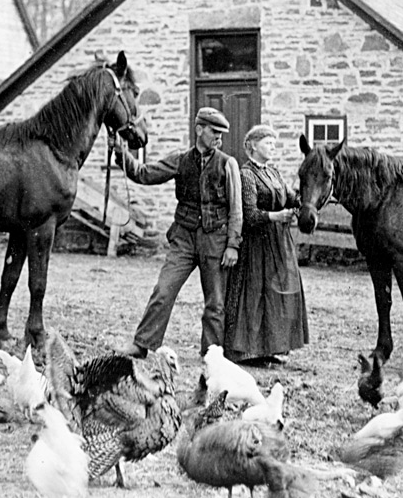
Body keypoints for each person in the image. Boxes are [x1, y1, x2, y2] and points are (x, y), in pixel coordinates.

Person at [115, 107, 243, 359]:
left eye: (221, 133)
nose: (219, 138)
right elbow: (143, 174)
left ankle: (212, 354)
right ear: (199, 130)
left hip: (215, 240)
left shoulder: (228, 164)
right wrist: (121, 154)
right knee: (163, 290)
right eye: (214, 132)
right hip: (183, 238)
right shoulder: (179, 160)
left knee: (215, 302)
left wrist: (232, 244)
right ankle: (142, 344)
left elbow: (236, 208)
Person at [224, 124, 309, 366]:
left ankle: (271, 348)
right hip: (256, 245)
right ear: (252, 145)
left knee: (276, 295)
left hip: (279, 244)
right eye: (267, 142)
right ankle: (249, 352)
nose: (273, 146)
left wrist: (305, 202)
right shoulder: (246, 174)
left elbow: (292, 198)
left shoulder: (274, 173)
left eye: (274, 142)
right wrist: (276, 216)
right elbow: (249, 214)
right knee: (255, 295)